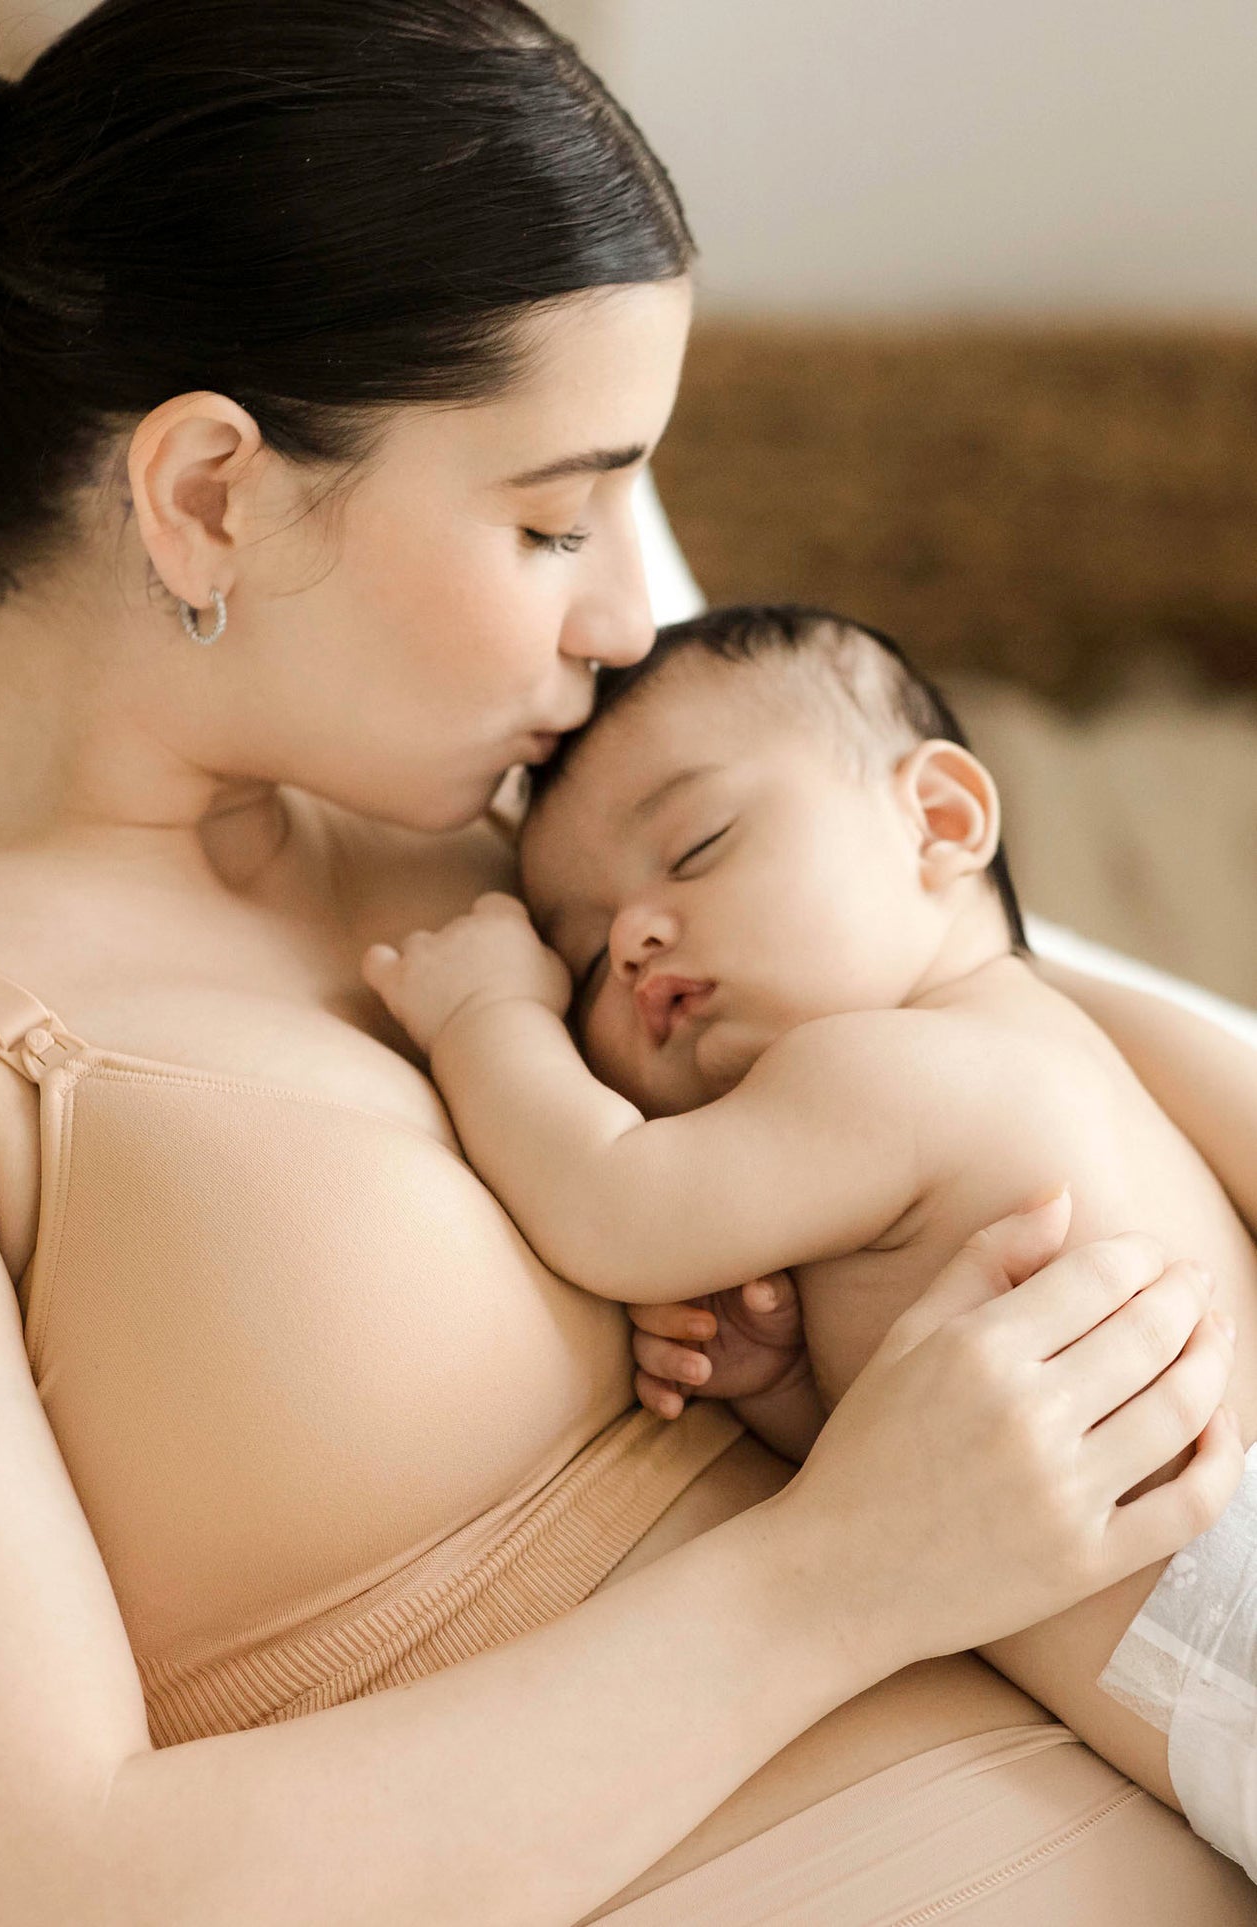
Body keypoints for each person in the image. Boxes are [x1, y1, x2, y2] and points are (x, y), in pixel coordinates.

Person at [0, 5, 1251, 1922]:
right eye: (554, 515)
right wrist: (853, 1565)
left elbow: (1012, 1008)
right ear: (210, 492)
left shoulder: (537, 837)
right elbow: (32, 1881)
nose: (628, 613)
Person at [362, 598, 1257, 1850]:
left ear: (936, 822)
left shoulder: (879, 1068)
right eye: (574, 962)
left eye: (697, 845)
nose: (630, 935)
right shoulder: (1076, 1040)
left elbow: (608, 1202)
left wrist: (489, 1020)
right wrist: (793, 1385)